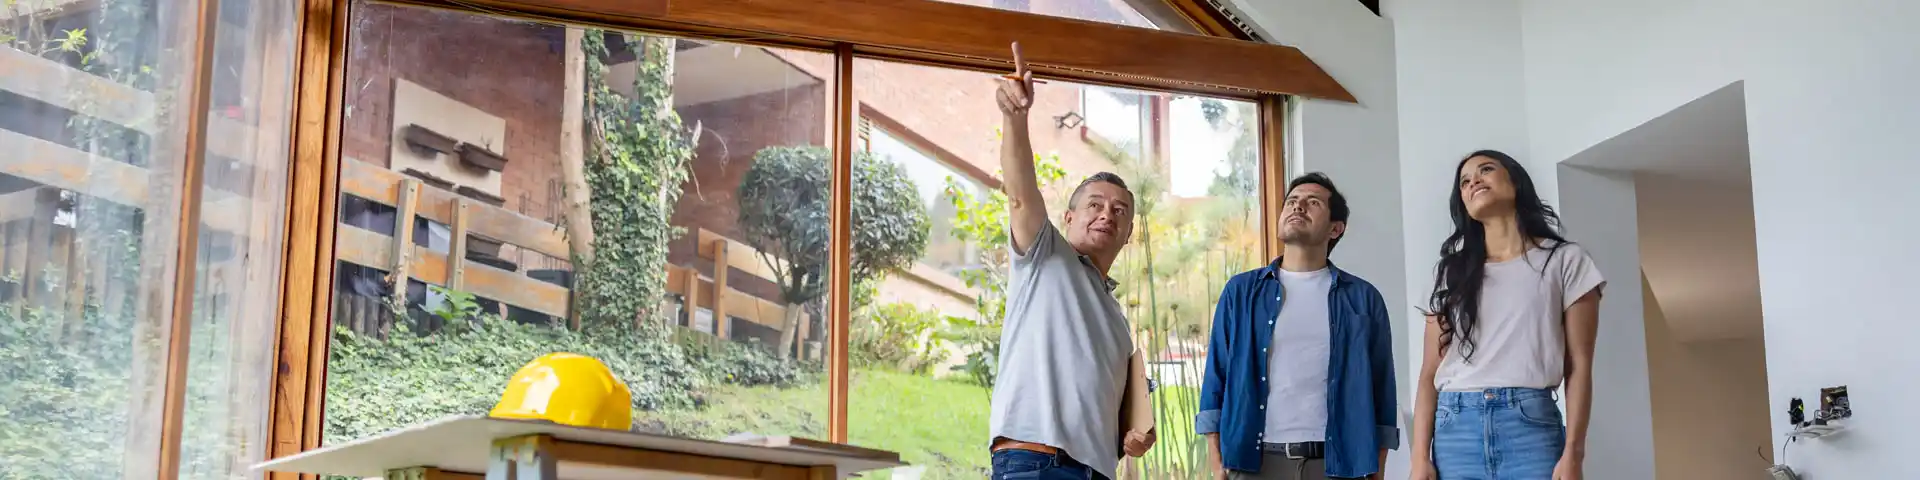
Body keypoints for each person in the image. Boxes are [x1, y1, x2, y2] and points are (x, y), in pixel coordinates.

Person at [987, 42, 1154, 480]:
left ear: (1128, 232)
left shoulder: (1117, 320)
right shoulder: (1045, 257)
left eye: (1120, 211)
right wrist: (1015, 118)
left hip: (1094, 471)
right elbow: (1021, 196)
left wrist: (1134, 436)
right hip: (1035, 462)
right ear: (1068, 218)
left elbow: (1122, 429)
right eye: (1095, 205)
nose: (1106, 214)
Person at [1409, 150, 1606, 480]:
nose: (1474, 182)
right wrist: (1419, 460)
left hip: (1531, 428)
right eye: (1465, 181)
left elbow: (1579, 366)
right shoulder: (1450, 273)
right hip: (1455, 429)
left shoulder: (1566, 261)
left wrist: (1574, 453)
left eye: (1485, 170)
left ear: (1515, 182)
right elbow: (1430, 372)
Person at [1196, 173, 1398, 480]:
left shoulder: (1363, 298)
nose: (1298, 206)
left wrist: (1378, 466)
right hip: (1254, 461)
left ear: (1335, 228)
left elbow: (1382, 385)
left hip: (1338, 464)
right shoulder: (1241, 291)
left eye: (1312, 202)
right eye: (1292, 201)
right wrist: (1215, 458)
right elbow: (1217, 375)